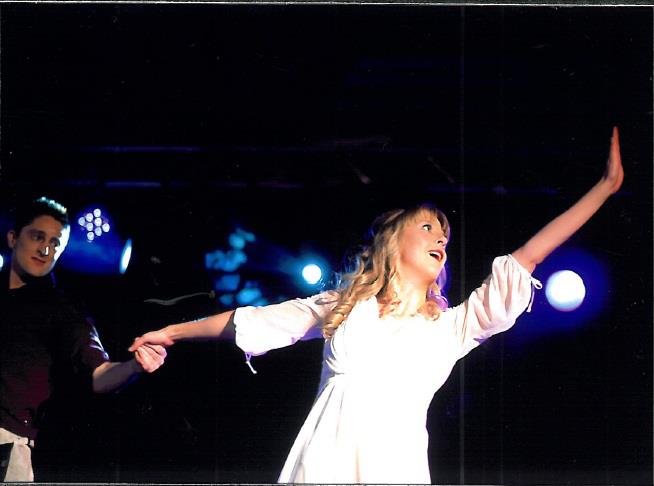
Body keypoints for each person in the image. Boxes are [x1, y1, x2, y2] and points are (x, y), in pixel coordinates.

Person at [130, 127, 624, 483]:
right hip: (323, 465)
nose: (441, 240)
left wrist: (602, 190)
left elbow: (528, 257)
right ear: (393, 241)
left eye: (445, 236)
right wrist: (170, 333)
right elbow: (251, 322)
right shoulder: (344, 306)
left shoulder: (450, 327)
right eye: (428, 228)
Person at [0, 196, 168, 482]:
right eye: (38, 237)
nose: (45, 249)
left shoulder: (64, 311)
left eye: (55, 243)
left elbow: (99, 374)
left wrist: (133, 366)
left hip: (7, 441)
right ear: (13, 237)